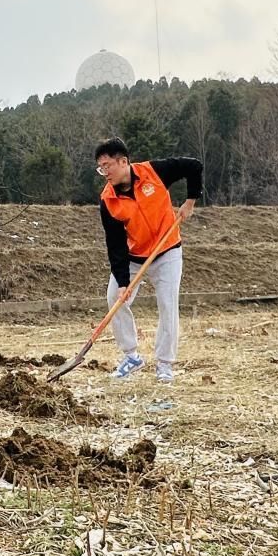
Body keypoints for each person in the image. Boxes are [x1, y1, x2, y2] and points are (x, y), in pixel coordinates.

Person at [94, 138, 202, 383]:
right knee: (115, 298)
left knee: (167, 304)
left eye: (108, 165)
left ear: (124, 161)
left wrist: (190, 201)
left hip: (168, 251)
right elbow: (115, 244)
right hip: (134, 256)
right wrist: (123, 281)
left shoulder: (154, 172)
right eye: (101, 167)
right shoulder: (108, 200)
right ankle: (131, 356)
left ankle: (164, 364)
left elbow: (194, 166)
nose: (105, 172)